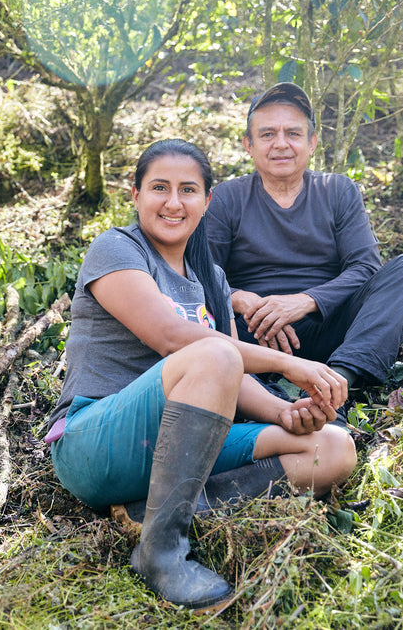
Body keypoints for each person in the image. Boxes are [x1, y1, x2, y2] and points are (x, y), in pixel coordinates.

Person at [41, 139, 357, 610]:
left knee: (331, 449)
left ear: (207, 201)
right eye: (159, 188)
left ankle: (150, 511)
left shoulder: (210, 276)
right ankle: (161, 551)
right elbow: (173, 337)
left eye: (188, 190)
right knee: (215, 353)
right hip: (97, 442)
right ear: (136, 195)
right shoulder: (116, 249)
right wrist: (289, 363)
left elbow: (231, 378)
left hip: (185, 447)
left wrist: (288, 412)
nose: (173, 202)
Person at [206, 82, 403, 394]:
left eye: (294, 133)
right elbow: (201, 275)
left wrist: (304, 302)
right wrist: (241, 300)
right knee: (209, 324)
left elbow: (365, 268)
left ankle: (337, 383)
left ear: (312, 142)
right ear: (249, 144)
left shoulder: (338, 190)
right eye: (268, 134)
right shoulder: (225, 198)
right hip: (256, 333)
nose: (281, 144)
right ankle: (262, 389)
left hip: (331, 327)